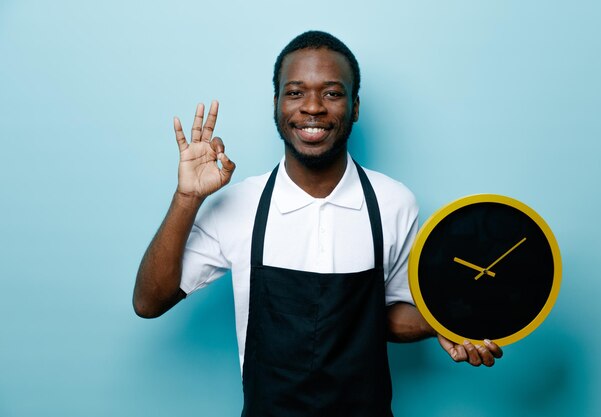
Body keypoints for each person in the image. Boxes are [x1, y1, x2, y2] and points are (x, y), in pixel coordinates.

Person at [133, 30, 502, 417]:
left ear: (355, 106)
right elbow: (149, 302)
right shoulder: (240, 204)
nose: (312, 107)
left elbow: (383, 317)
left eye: (332, 93)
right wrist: (187, 198)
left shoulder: (394, 203)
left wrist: (442, 322)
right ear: (276, 103)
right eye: (295, 92)